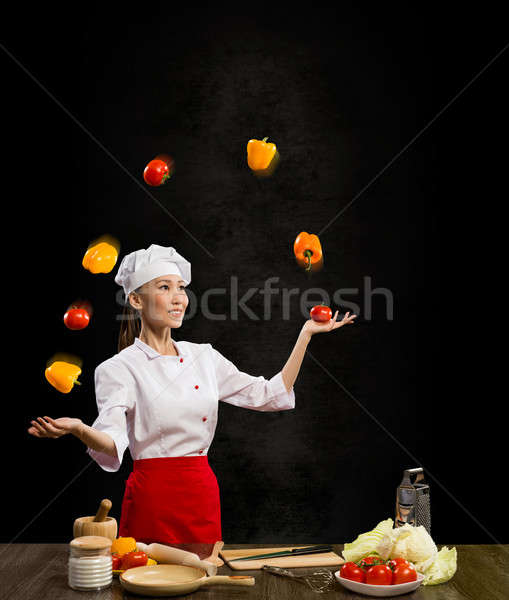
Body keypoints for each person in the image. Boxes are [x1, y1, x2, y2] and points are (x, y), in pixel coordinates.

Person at [28, 244, 356, 550]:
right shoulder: (118, 368)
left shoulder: (204, 357)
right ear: (136, 301)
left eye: (181, 288)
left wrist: (305, 336)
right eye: (164, 287)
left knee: (202, 584)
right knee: (144, 581)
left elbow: (267, 395)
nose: (178, 298)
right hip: (152, 500)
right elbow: (112, 441)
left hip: (201, 494)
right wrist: (79, 429)